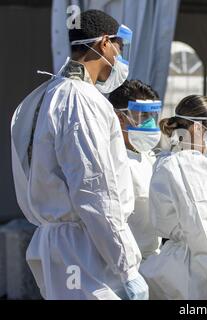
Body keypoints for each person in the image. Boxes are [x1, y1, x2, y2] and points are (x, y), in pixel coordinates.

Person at [10, 10, 148, 300]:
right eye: (119, 49)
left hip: (67, 245)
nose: (120, 59)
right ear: (105, 43)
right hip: (85, 248)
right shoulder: (81, 99)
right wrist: (128, 268)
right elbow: (95, 190)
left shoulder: (49, 94)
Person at [140, 95, 207, 300]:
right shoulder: (191, 165)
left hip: (187, 266)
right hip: (199, 273)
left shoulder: (172, 159)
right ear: (197, 128)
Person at [109, 80, 162, 260]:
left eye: (152, 116)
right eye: (142, 116)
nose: (149, 123)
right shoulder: (112, 160)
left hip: (151, 259)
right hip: (124, 261)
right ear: (119, 118)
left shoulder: (148, 156)